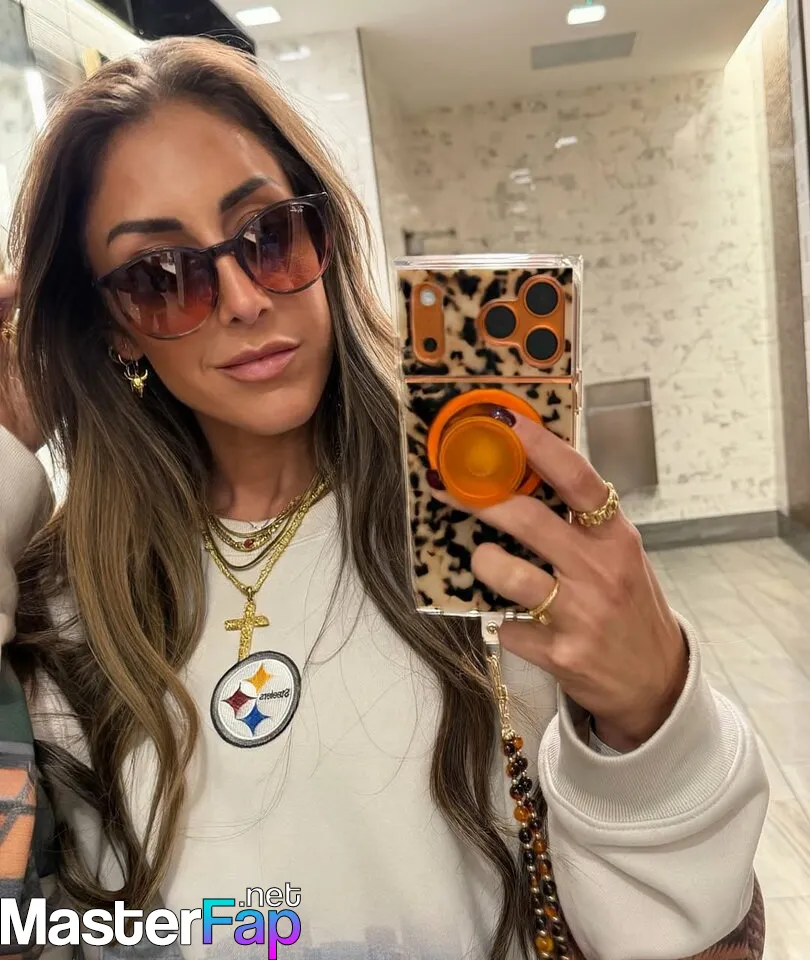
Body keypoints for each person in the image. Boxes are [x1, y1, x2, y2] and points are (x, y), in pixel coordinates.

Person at [0, 37, 768, 960]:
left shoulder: (474, 522)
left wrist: (650, 714)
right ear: (113, 326)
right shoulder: (67, 603)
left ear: (323, 237)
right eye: (161, 277)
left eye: (269, 235)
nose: (242, 299)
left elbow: (661, 922)